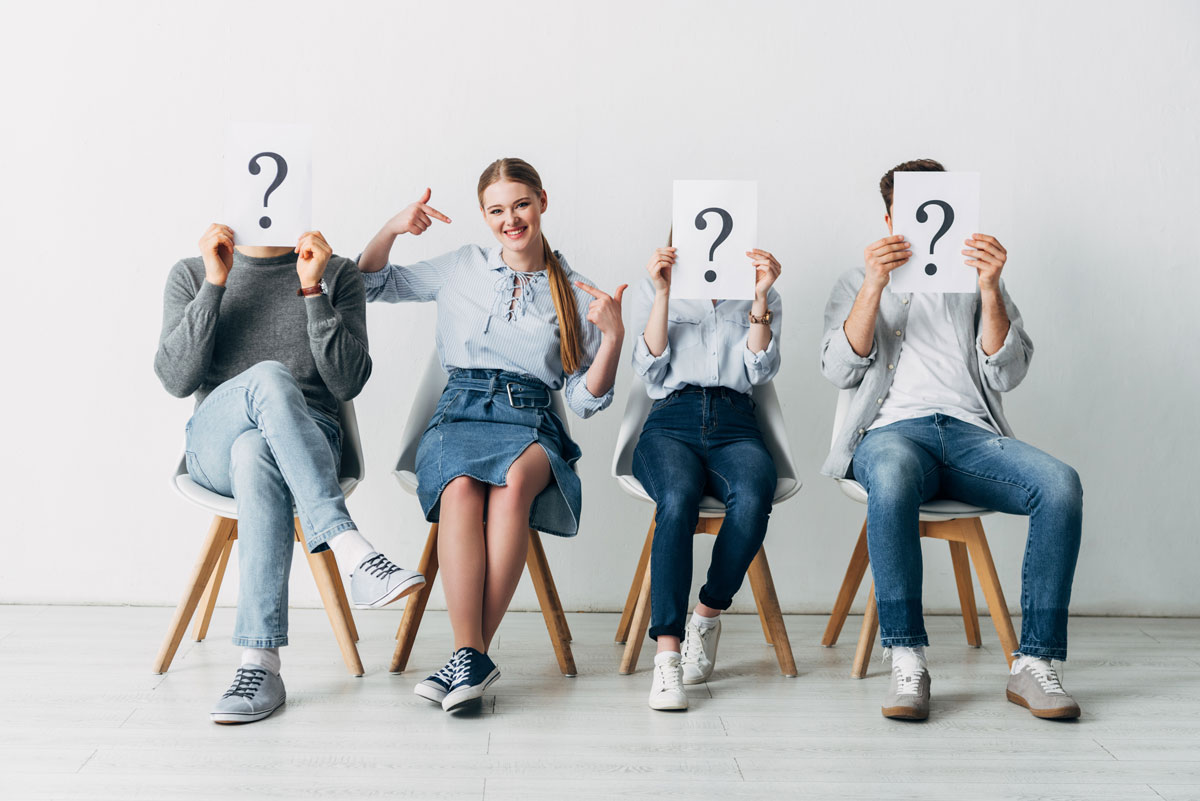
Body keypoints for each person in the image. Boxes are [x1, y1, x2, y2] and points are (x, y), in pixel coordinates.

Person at [819, 158, 1083, 720]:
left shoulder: (979, 280)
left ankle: (1035, 664)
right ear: (891, 218)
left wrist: (989, 289)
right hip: (890, 434)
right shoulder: (855, 279)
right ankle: (907, 658)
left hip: (971, 437)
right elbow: (839, 368)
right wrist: (873, 285)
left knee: (1060, 484)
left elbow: (1007, 373)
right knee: (890, 478)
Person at [358, 158, 625, 711]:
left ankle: (465, 660)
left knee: (510, 491)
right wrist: (390, 228)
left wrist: (614, 339)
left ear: (543, 201)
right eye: (497, 210)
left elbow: (582, 398)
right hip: (457, 410)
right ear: (484, 216)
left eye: (521, 205)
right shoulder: (462, 267)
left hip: (530, 417)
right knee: (460, 488)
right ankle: (471, 655)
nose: (511, 219)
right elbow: (370, 283)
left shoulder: (575, 291)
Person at [155, 226, 425, 724]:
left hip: (308, 438)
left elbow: (348, 382)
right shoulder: (192, 272)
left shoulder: (337, 272)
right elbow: (175, 379)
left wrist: (312, 291)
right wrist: (215, 284)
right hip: (214, 442)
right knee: (268, 375)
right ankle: (350, 548)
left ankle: (260, 665)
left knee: (257, 450)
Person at [629, 239, 783, 711]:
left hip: (737, 422)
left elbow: (762, 371)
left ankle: (707, 615)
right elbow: (649, 373)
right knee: (676, 500)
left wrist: (759, 300)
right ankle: (667, 657)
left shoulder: (763, 293)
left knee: (755, 494)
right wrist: (661, 294)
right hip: (671, 421)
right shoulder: (655, 288)